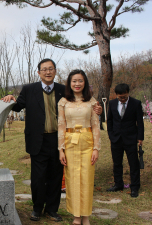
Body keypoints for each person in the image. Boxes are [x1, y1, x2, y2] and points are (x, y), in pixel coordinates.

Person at [2, 59, 102, 222]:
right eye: (44, 69)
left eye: (51, 69)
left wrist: (98, 109)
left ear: (55, 71)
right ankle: (37, 208)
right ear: (39, 72)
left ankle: (52, 209)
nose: (48, 72)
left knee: (56, 176)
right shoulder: (29, 89)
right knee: (38, 177)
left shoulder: (64, 90)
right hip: (37, 139)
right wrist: (9, 97)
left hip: (59, 140)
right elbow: (18, 106)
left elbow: (81, 104)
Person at [58, 69, 101, 225]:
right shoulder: (63, 102)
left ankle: (86, 216)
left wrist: (96, 148)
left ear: (85, 83)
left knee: (87, 179)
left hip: (87, 141)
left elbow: (96, 126)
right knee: (72, 179)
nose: (77, 84)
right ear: (70, 83)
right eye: (74, 81)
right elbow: (61, 126)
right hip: (70, 142)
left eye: (80, 81)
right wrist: (60, 149)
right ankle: (76, 216)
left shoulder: (92, 102)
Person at [106, 83, 144, 198]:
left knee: (133, 164)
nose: (122, 99)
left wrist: (140, 137)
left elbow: (140, 122)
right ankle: (118, 184)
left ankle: (135, 186)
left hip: (131, 138)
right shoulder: (112, 103)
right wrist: (111, 135)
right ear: (116, 95)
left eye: (125, 96)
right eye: (120, 97)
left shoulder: (136, 103)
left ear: (128, 93)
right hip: (116, 139)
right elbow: (110, 121)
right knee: (117, 163)